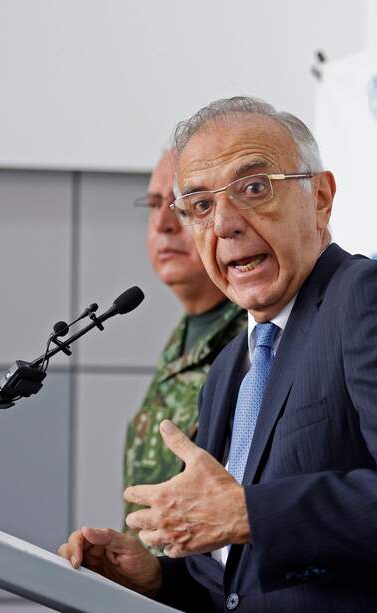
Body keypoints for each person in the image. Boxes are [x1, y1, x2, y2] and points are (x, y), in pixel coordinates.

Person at [59, 97, 377, 612]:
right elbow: (240, 585)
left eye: (253, 189)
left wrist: (249, 514)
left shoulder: (371, 296)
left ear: (320, 198)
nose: (224, 223)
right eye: (200, 205)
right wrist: (159, 580)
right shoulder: (229, 369)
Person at [124, 149, 246, 534]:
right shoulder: (180, 340)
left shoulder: (255, 342)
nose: (162, 224)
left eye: (182, 206)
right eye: (155, 204)